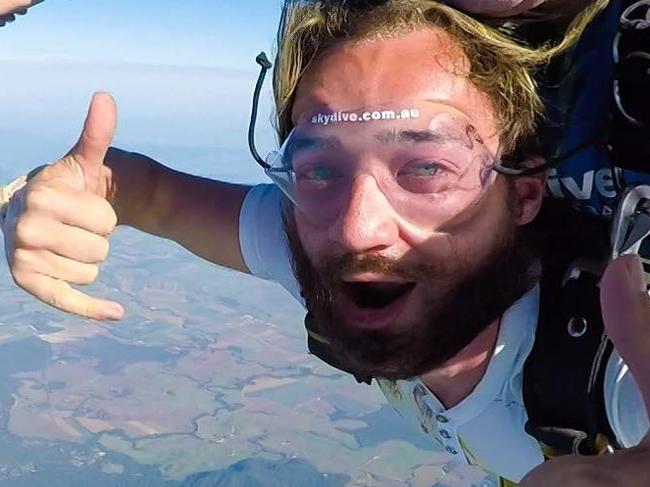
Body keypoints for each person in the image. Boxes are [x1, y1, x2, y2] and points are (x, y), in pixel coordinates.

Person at [2, 1, 650, 486]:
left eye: (425, 168)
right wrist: (45, 198)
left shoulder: (620, 367)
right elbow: (151, 194)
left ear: (525, 193)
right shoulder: (314, 244)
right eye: (318, 167)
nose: (355, 228)